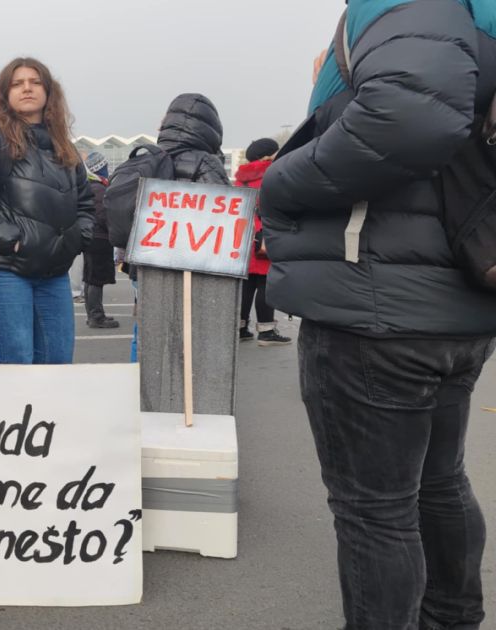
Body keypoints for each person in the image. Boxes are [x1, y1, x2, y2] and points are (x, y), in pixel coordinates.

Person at [260, 2, 496, 627]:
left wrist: (278, 184)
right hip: (457, 295)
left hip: (375, 299)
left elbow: (409, 119)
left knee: (377, 510)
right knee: (438, 482)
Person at [0, 57, 95, 364]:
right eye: (17, 83)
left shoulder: (63, 146)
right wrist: (13, 240)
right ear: (5, 94)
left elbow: (86, 204)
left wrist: (76, 239)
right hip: (4, 271)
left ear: (49, 92)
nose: (27, 88)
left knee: (58, 365)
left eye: (35, 82)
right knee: (17, 367)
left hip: (54, 274)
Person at [233, 138, 290, 346]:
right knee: (266, 282)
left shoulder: (241, 178)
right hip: (266, 236)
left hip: (242, 235)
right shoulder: (274, 174)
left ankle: (239, 327)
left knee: (246, 283)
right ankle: (266, 331)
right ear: (268, 156)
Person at [82, 151, 118, 329]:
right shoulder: (99, 189)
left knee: (90, 278)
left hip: (91, 237)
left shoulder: (90, 186)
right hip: (99, 238)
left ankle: (93, 314)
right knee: (96, 278)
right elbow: (104, 215)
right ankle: (96, 316)